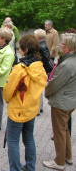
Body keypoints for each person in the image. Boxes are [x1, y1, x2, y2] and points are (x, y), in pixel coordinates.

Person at [3, 35, 47, 171]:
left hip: (18, 110)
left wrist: (7, 99)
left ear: (25, 49)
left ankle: (15, 168)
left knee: (13, 141)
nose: (19, 50)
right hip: (31, 109)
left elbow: (8, 90)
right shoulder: (39, 66)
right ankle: (30, 167)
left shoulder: (20, 68)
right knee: (29, 138)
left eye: (20, 47)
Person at [43, 33, 76, 171]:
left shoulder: (67, 64)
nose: (60, 45)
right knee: (65, 129)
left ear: (68, 47)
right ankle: (68, 156)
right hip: (70, 100)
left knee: (59, 132)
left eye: (62, 43)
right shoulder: (71, 60)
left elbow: (54, 84)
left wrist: (47, 92)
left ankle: (59, 162)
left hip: (62, 102)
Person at [34, 29, 51, 114]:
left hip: (40, 69)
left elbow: (46, 59)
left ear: (38, 37)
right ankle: (40, 107)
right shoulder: (43, 45)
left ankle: (37, 109)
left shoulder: (41, 46)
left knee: (37, 89)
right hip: (42, 69)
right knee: (39, 89)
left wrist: (46, 70)